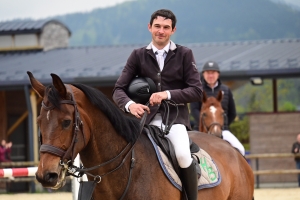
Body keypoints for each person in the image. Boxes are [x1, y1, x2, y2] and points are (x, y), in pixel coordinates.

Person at [112, 9, 202, 200]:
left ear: (173, 30)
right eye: (157, 26)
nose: (161, 31)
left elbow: (196, 90)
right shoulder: (137, 55)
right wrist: (130, 106)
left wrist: (166, 94)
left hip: (175, 121)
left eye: (166, 27)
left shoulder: (185, 54)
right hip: (143, 121)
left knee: (183, 156)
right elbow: (118, 90)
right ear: (149, 27)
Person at [190, 61, 245, 156]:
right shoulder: (197, 90)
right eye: (208, 73)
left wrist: (220, 125)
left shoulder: (226, 90)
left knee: (241, 149)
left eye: (213, 73)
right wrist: (205, 125)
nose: (210, 75)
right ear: (203, 74)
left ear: (218, 74)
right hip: (200, 130)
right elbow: (194, 110)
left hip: (222, 130)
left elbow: (232, 113)